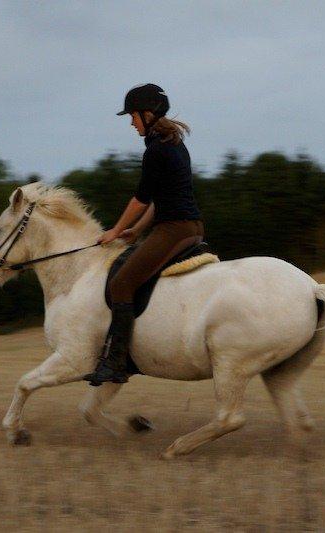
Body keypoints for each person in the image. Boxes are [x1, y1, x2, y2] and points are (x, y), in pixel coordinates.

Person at [83, 83, 205, 386]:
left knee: (121, 283)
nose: (131, 122)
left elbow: (140, 199)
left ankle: (116, 362)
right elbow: (158, 199)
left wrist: (113, 230)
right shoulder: (173, 143)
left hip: (174, 230)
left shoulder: (156, 150)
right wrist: (135, 231)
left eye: (133, 116)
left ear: (148, 114)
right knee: (126, 268)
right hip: (184, 227)